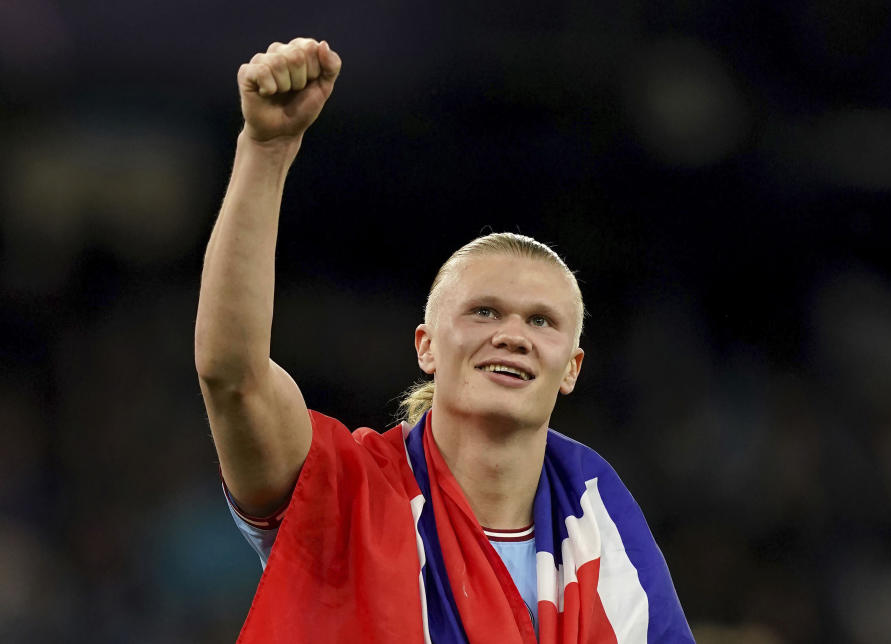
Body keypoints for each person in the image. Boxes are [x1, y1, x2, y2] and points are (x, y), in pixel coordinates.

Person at [195, 37, 694, 643]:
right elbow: (233, 377)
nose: (513, 336)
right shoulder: (345, 495)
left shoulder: (601, 522)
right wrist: (266, 150)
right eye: (485, 312)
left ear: (572, 367)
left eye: (541, 321)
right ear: (426, 346)